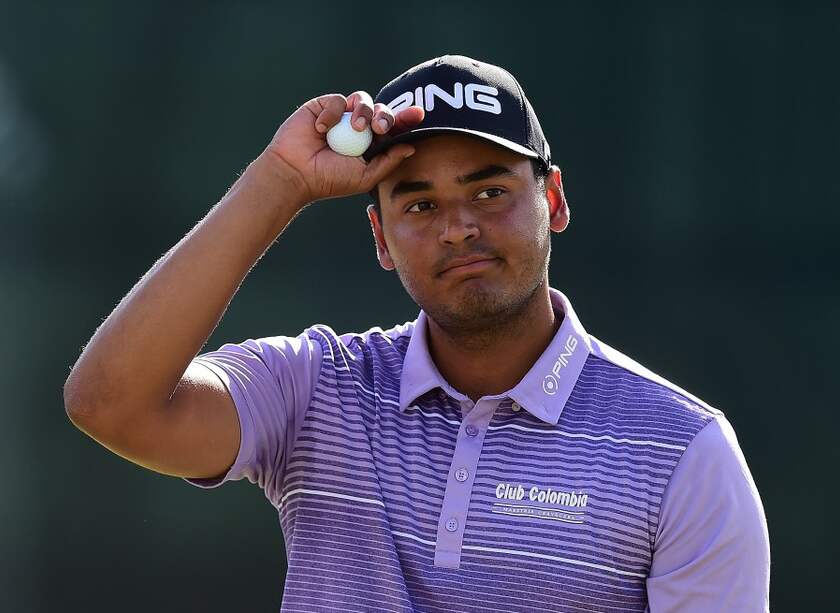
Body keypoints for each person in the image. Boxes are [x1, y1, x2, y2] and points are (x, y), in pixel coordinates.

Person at [64, 55, 770, 612]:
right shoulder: (317, 385)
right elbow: (109, 403)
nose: (458, 227)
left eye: (489, 191)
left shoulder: (684, 449)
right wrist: (280, 181)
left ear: (552, 200)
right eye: (421, 204)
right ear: (381, 237)